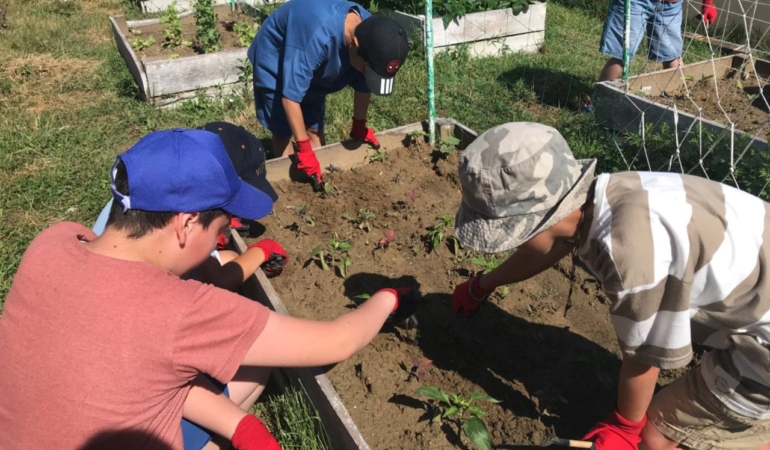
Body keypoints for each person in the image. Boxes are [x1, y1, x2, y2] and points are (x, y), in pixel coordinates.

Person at [0, 128, 417, 450]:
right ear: (185, 224)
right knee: (252, 365)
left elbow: (129, 365)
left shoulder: (54, 241)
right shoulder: (180, 311)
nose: (221, 240)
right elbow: (337, 341)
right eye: (221, 229)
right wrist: (390, 296)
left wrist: (242, 426)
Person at [450, 122, 770, 450]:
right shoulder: (607, 196)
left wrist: (626, 427)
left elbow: (646, 353)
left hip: (764, 351)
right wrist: (482, 285)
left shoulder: (628, 252)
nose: (513, 246)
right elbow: (552, 246)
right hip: (757, 299)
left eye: (515, 238)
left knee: (657, 437)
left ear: (539, 223)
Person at [248, 0, 410, 190]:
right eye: (368, 71)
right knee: (283, 129)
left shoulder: (373, 35)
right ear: (355, 45)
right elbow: (290, 98)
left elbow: (363, 86)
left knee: (314, 129)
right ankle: (291, 184)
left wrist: (359, 125)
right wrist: (303, 148)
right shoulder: (318, 38)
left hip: (316, 62)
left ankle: (319, 179)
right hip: (278, 56)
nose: (367, 76)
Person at [598, 0, 717, 81]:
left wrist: (708, 2)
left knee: (672, 55)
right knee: (622, 54)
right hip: (635, 2)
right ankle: (598, 101)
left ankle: (677, 100)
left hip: (670, 6)